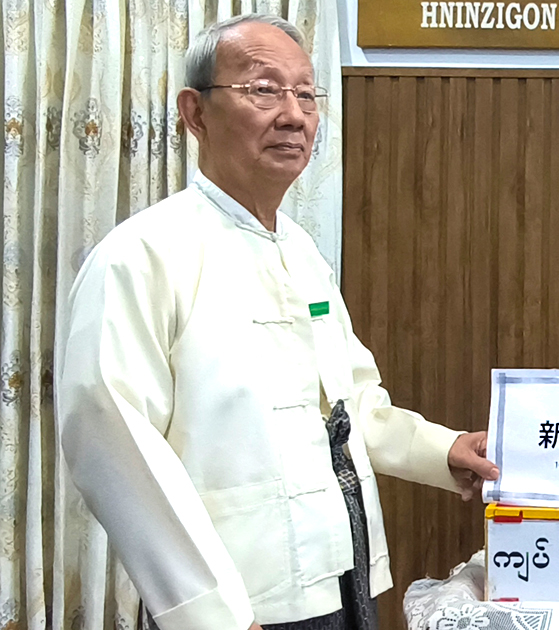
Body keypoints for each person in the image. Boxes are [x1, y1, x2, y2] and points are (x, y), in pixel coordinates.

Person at [55, 14, 498, 630]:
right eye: (263, 89)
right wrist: (211, 614)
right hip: (241, 601)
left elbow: (349, 403)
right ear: (195, 112)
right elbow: (112, 443)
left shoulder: (300, 251)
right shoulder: (141, 255)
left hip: (347, 580)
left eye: (306, 94)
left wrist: (443, 450)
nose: (293, 115)